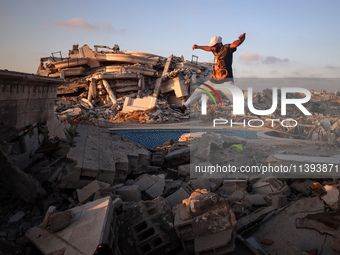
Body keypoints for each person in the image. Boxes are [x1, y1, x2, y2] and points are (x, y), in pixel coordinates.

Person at [172, 33, 246, 113]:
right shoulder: (214, 50)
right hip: (213, 81)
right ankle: (182, 108)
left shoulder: (226, 49)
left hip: (226, 81)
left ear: (219, 44)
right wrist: (198, 47)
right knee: (198, 91)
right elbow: (208, 48)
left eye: (214, 46)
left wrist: (240, 40)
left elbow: (234, 45)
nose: (212, 48)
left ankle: (251, 110)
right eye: (212, 46)